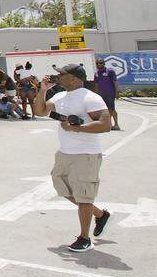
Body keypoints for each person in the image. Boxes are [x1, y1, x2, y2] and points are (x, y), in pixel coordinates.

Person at [31, 64, 113, 253]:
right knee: (63, 188)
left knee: (84, 196)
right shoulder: (60, 96)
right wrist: (42, 90)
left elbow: (105, 124)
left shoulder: (90, 97)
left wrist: (77, 128)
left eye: (62, 74)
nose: (57, 76)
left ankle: (85, 238)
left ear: (75, 79)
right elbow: (40, 111)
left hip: (86, 154)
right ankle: (100, 214)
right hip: (65, 153)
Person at [93, 59, 121, 131]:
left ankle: (116, 124)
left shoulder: (110, 71)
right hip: (101, 94)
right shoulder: (96, 73)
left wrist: (117, 92)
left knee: (112, 109)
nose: (99, 64)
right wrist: (96, 94)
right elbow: (96, 84)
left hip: (110, 93)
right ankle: (109, 124)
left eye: (101, 63)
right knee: (104, 110)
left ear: (104, 63)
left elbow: (115, 82)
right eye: (97, 63)